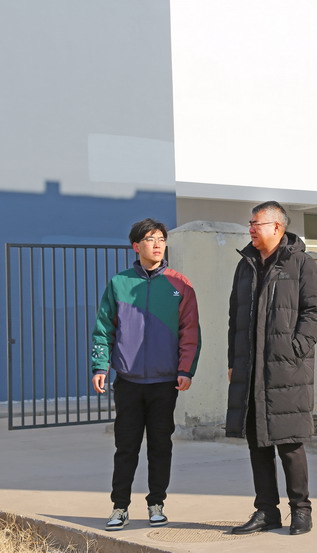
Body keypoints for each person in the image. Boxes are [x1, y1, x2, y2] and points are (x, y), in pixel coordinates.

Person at [91, 218, 201, 531]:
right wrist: (100, 365)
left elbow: (190, 331)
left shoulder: (180, 284)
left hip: (164, 383)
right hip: (128, 382)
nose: (157, 245)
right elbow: (104, 328)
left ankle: (156, 504)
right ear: (136, 246)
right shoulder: (119, 283)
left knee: (160, 446)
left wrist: (186, 369)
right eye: (150, 239)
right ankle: (119, 507)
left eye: (161, 239)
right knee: (126, 447)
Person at [226, 201, 317, 536]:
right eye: (250, 223)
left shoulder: (301, 263)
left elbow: (316, 312)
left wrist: (295, 348)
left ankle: (301, 510)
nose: (251, 229)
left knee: (289, 442)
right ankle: (266, 511)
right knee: (257, 442)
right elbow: (235, 318)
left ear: (277, 227)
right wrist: (233, 361)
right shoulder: (246, 265)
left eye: (256, 223)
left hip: (286, 368)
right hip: (250, 367)